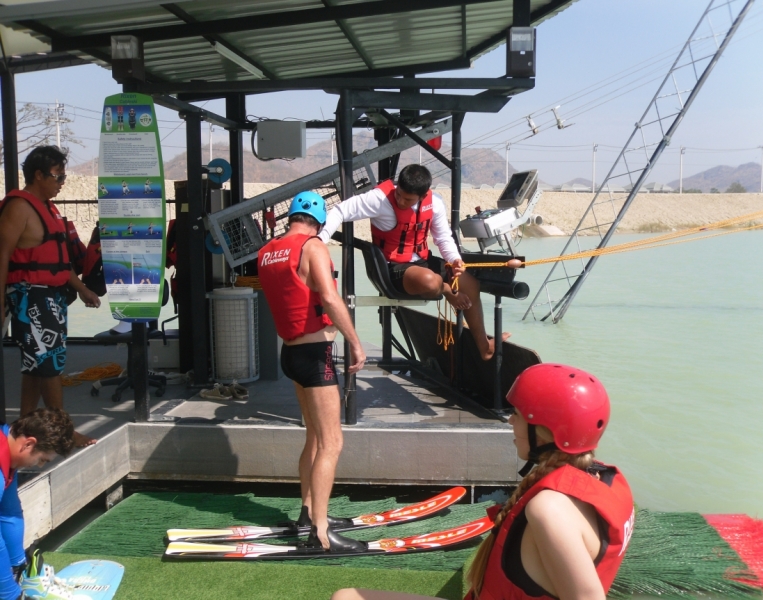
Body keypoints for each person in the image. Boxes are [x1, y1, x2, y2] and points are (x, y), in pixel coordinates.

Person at [332, 363, 635, 600]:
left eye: (517, 414)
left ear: (544, 431)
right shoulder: (600, 478)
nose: (510, 421)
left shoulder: (549, 509)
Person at [258, 191, 367, 552]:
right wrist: (355, 342)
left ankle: (307, 512)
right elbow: (330, 298)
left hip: (289, 354)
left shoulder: (267, 251)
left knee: (315, 439)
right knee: (333, 442)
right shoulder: (313, 246)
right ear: (319, 222)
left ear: (291, 216)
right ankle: (320, 533)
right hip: (315, 353)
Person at [318, 164, 506, 361]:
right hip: (394, 269)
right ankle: (445, 290)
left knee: (470, 284)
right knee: (430, 281)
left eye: (407, 199)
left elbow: (443, 238)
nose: (400, 200)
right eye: (399, 194)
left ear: (423, 196)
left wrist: (454, 260)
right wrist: (320, 241)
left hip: (423, 261)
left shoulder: (435, 203)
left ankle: (485, 347)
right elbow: (340, 210)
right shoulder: (379, 199)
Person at [0, 146, 101, 448]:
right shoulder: (19, 207)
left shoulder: (49, 208)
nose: (63, 182)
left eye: (64, 175)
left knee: (34, 368)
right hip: (30, 298)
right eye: (58, 176)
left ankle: (22, 431)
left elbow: (58, 261)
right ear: (38, 175)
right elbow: (2, 253)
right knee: (50, 368)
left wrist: (82, 288)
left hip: (51, 297)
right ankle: (64, 433)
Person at [0, 408, 75, 600]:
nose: (40, 465)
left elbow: (9, 511)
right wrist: (10, 594)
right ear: (28, 443)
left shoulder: (6, 445)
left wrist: (19, 567)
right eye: (42, 459)